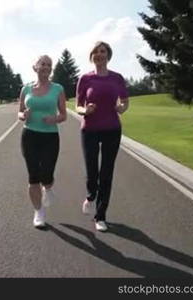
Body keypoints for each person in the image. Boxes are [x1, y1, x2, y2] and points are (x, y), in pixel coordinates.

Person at [76, 41, 129, 232]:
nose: (99, 54)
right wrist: (85, 111)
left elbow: (125, 102)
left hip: (112, 129)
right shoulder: (85, 78)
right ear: (92, 56)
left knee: (106, 173)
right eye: (96, 52)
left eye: (103, 51)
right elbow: (78, 105)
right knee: (92, 172)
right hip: (89, 129)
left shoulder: (117, 78)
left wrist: (121, 108)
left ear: (108, 55)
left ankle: (101, 216)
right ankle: (90, 196)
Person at [18, 55, 67, 228]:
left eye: (49, 65)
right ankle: (39, 211)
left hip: (50, 137)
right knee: (33, 176)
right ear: (35, 67)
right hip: (29, 135)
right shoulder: (26, 89)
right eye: (43, 64)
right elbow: (19, 113)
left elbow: (64, 115)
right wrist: (23, 115)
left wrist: (54, 119)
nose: (46, 67)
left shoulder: (58, 89)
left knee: (47, 174)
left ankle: (48, 187)